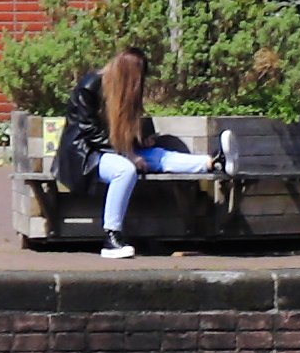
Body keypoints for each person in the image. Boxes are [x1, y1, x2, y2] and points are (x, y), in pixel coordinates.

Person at [88, 41, 211, 261]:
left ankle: (212, 162)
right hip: (89, 156)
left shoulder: (125, 96)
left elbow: (122, 132)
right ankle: (111, 237)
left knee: (159, 155)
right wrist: (129, 155)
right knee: (125, 171)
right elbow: (89, 134)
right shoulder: (90, 88)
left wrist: (139, 143)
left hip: (119, 151)